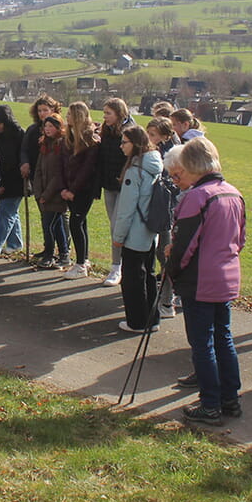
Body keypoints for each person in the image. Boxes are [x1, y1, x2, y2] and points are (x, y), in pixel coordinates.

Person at [163, 137, 246, 427]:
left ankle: (210, 403)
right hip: (226, 276)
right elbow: (241, 240)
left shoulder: (197, 197)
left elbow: (185, 245)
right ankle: (230, 398)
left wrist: (171, 270)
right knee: (223, 338)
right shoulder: (233, 193)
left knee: (203, 343)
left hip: (200, 280)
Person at [113, 125, 162, 331]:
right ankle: (153, 318)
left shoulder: (135, 171)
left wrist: (118, 236)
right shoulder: (154, 165)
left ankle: (137, 321)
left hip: (134, 232)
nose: (121, 146)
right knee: (149, 276)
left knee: (133, 279)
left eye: (124, 142)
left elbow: (126, 210)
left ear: (135, 143)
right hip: (151, 231)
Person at [96, 97, 134, 286]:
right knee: (114, 226)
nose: (105, 117)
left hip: (124, 186)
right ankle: (119, 265)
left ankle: (117, 267)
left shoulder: (130, 132)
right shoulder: (106, 130)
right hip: (109, 184)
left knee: (117, 227)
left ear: (119, 113)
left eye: (108, 113)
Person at [59, 101, 99, 279]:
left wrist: (73, 190)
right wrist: (64, 187)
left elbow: (87, 169)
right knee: (81, 223)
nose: (66, 117)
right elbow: (62, 165)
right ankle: (85, 258)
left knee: (76, 223)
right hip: (68, 187)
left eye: (69, 114)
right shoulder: (68, 138)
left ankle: (81, 264)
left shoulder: (91, 140)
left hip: (83, 190)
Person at [148, 116, 181, 319]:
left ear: (165, 136)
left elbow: (173, 185)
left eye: (152, 134)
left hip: (168, 210)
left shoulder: (173, 154)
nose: (149, 137)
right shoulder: (154, 150)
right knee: (157, 253)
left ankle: (168, 302)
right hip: (156, 207)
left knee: (165, 254)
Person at [0, 105, 25, 260]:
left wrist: (4, 185)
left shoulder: (19, 134)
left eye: (0, 123)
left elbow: (20, 160)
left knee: (5, 213)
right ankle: (15, 243)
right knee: (9, 212)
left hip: (15, 181)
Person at [31, 113, 69, 269]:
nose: (47, 129)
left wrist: (46, 194)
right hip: (44, 192)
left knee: (49, 225)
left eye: (51, 126)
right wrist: (38, 191)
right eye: (45, 126)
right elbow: (39, 169)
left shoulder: (61, 145)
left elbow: (58, 174)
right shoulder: (45, 145)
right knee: (56, 225)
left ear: (58, 128)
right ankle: (63, 254)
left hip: (56, 194)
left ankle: (50, 254)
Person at [19, 94, 60, 186]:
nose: (42, 113)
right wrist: (25, 162)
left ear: (52, 110)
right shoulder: (32, 130)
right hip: (36, 173)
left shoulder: (60, 129)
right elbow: (24, 149)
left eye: (45, 110)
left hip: (55, 174)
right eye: (39, 111)